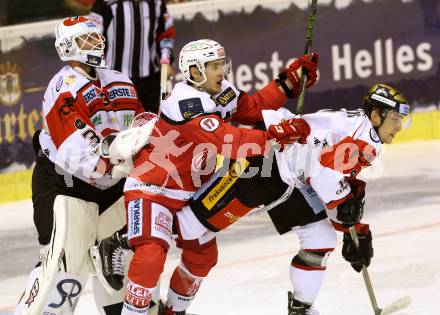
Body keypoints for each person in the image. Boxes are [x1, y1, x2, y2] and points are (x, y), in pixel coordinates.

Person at [95, 82, 411, 315]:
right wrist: (351, 220)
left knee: (320, 238)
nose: (399, 128)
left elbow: (332, 181)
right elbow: (329, 181)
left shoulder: (366, 133)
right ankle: (121, 240)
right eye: (396, 120)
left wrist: (353, 224)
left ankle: (300, 309)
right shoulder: (362, 136)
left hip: (292, 180)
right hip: (262, 168)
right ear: (376, 114)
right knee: (192, 229)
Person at [91, 38, 319, 315]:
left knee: (202, 257)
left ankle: (173, 312)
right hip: (154, 190)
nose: (222, 71)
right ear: (196, 72)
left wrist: (289, 82)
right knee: (151, 254)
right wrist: (276, 135)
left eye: (222, 64)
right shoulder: (184, 103)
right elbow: (228, 140)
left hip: (192, 191)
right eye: (214, 66)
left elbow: (255, 107)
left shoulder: (222, 92)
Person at [13, 16, 153, 315]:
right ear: (66, 48)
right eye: (85, 40)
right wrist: (113, 162)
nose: (96, 44)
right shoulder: (63, 87)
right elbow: (74, 147)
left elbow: (139, 122)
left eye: (96, 38)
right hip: (63, 185)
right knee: (62, 269)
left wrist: (146, 138)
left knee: (121, 271)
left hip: (110, 189)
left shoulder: (120, 80)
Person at [89, 0, 176, 113]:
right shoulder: (105, 3)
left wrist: (166, 60)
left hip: (150, 80)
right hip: (114, 81)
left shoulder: (157, 3)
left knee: (153, 122)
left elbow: (166, 34)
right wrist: (97, 71)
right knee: (121, 124)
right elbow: (93, 37)